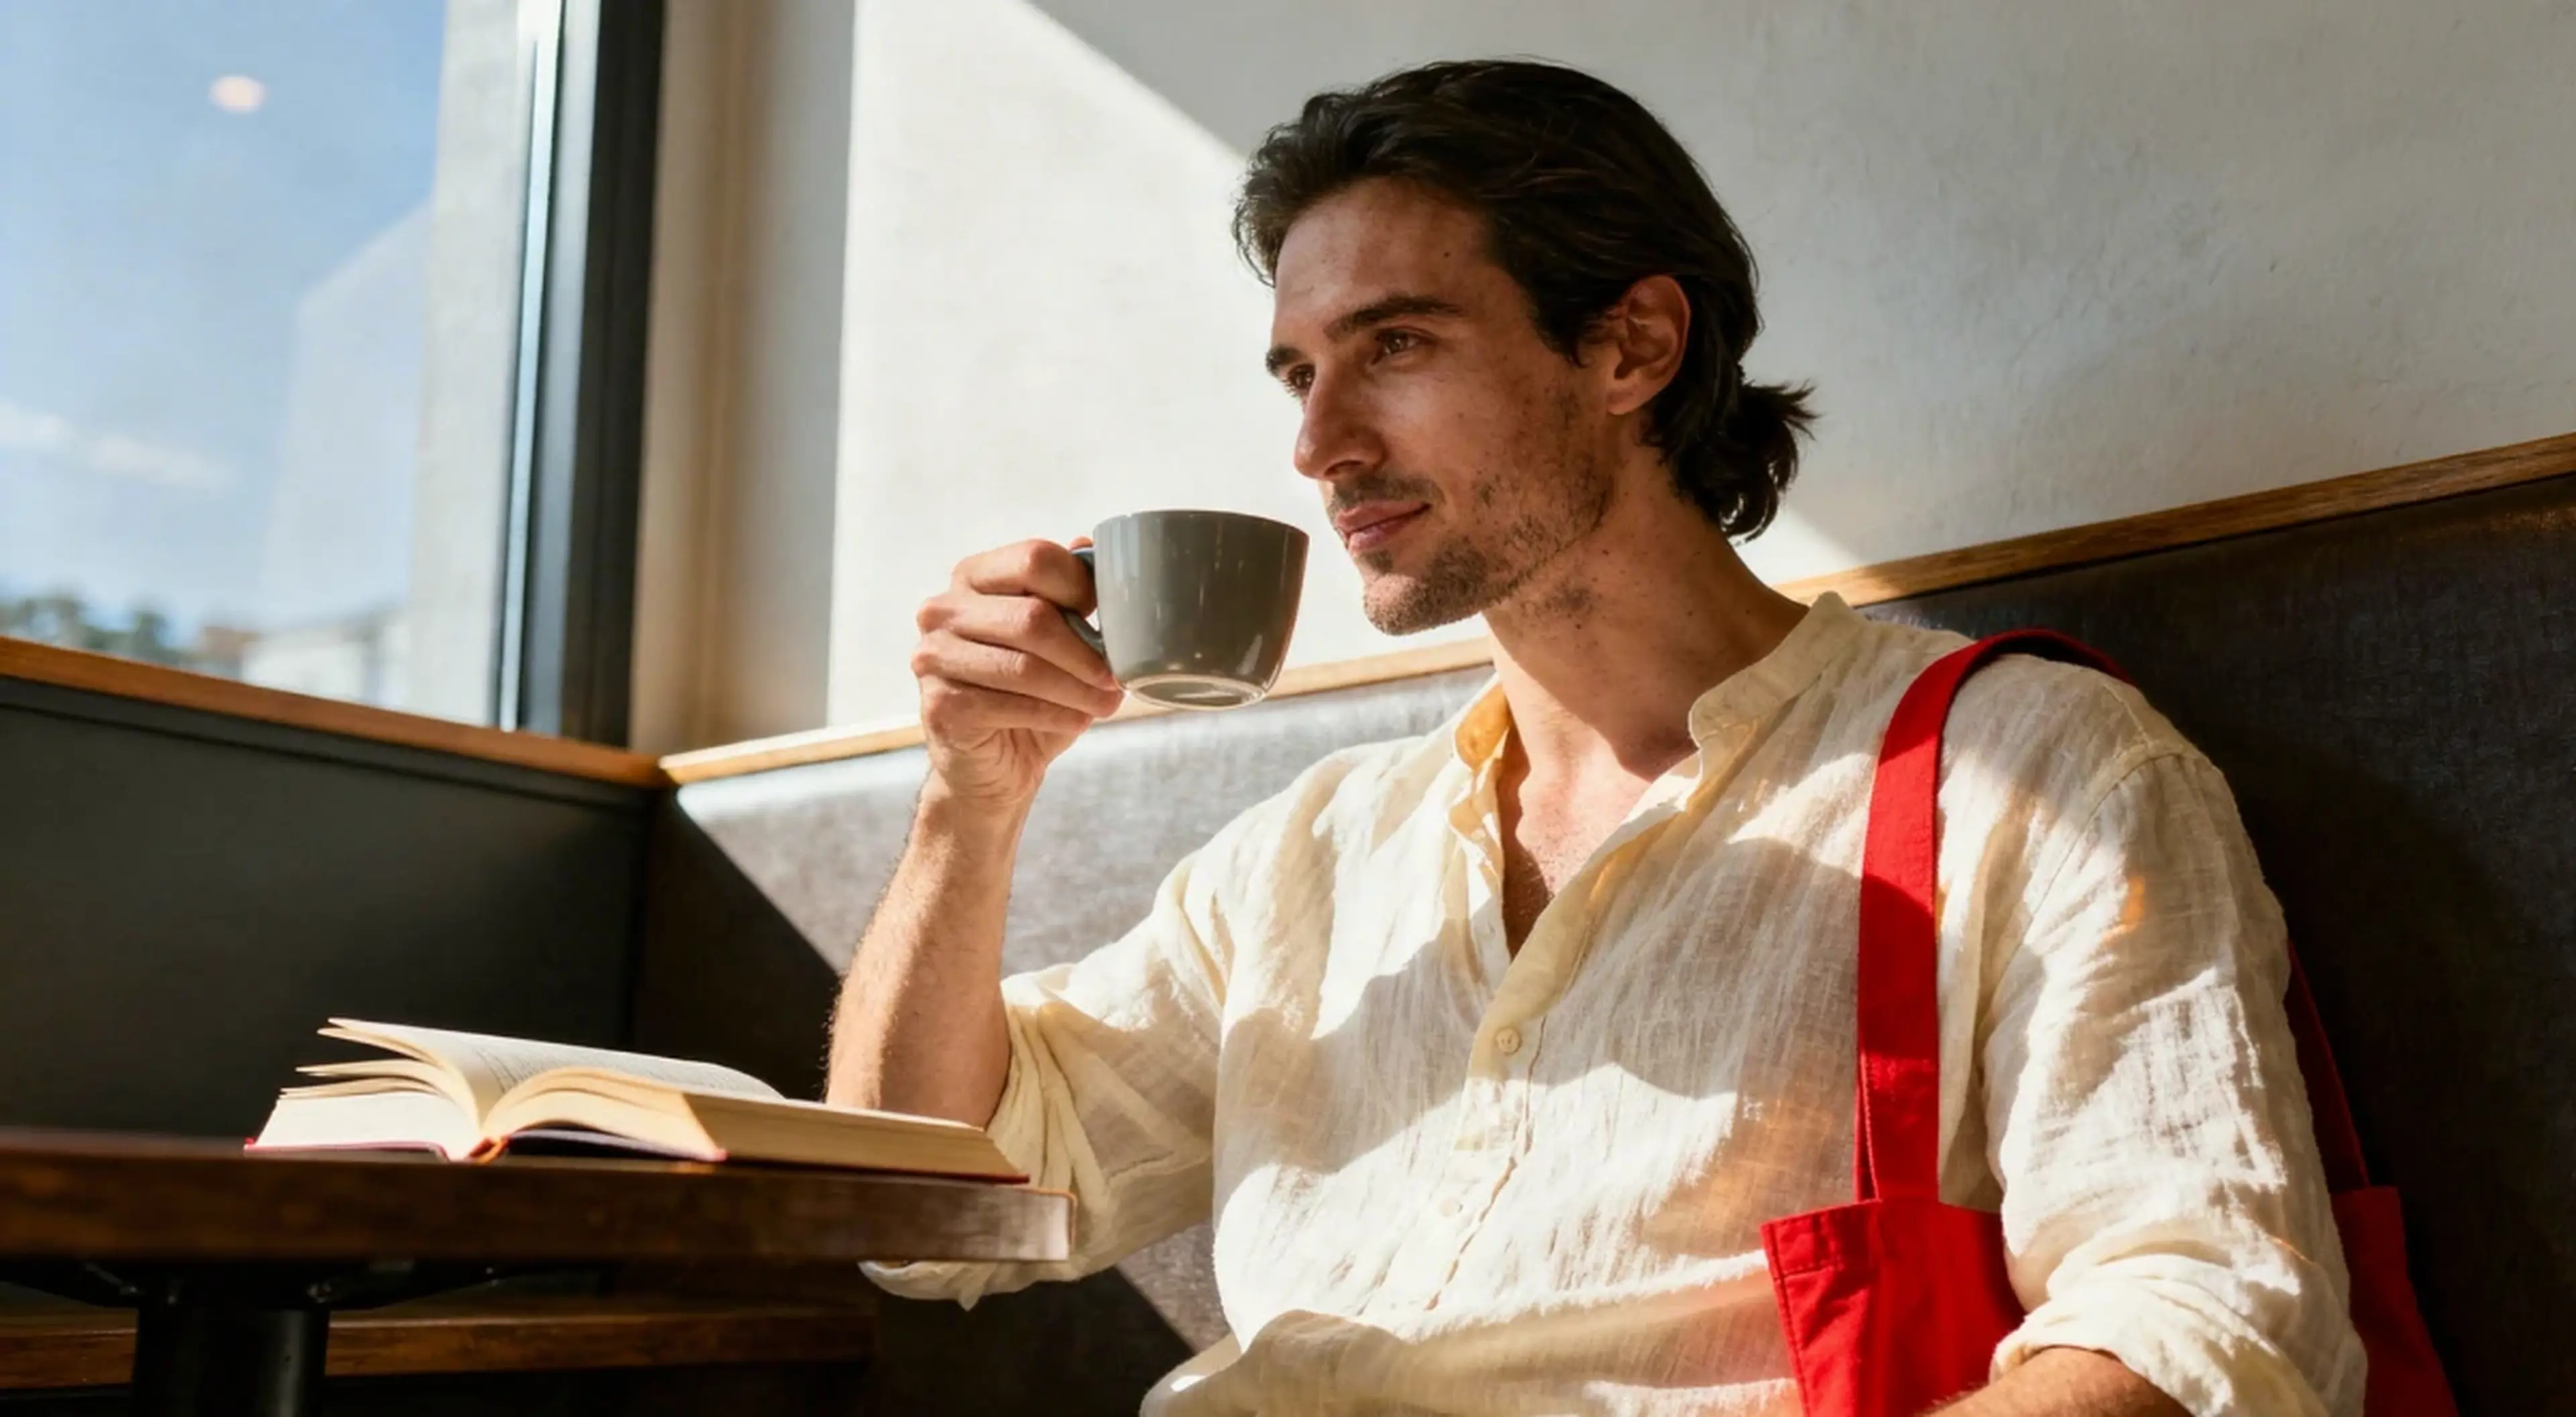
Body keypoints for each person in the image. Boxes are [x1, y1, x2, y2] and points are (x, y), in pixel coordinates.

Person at [827, 58, 2363, 1416]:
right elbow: (925, 1217)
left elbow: (2212, 1330)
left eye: (1397, 347)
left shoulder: (2041, 776)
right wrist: (973, 801)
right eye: (1301, 373)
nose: (1318, 444)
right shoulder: (1309, 856)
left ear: (1632, 346)